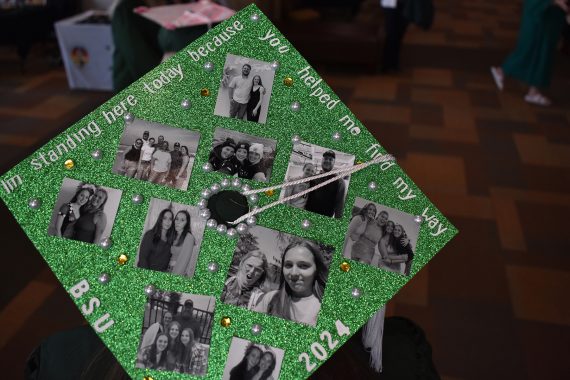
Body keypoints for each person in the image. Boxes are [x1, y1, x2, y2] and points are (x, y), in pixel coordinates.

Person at [491, 0, 569, 106]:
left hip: (549, 16)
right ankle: (503, 71)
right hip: (542, 15)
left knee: (542, 53)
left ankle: (533, 90)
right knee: (533, 50)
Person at [253, 241, 328, 326]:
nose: (293, 273)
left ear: (317, 270)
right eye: (288, 265)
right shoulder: (270, 299)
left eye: (303, 265)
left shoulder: (327, 309)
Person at [305, 150, 346, 218]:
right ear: (321, 160)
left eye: (330, 159)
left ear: (334, 163)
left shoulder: (339, 182)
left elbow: (339, 205)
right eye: (325, 158)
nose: (327, 161)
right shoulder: (313, 178)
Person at [380, 0, 409, 73]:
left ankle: (394, 62)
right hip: (390, 4)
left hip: (406, 4)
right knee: (391, 32)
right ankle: (386, 63)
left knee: (400, 33)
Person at [169, 210, 197, 277]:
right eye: (177, 219)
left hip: (177, 272)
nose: (178, 222)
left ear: (186, 223)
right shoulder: (174, 235)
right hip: (168, 270)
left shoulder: (189, 237)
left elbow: (183, 262)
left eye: (182, 220)